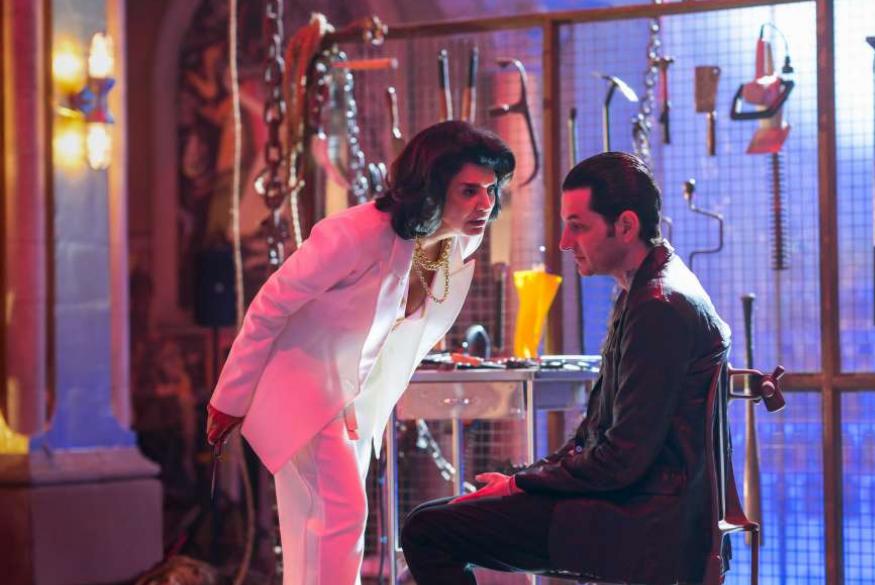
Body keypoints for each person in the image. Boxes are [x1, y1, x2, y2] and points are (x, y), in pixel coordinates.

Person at [205, 120, 515, 585]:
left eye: (490, 190)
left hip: (354, 402)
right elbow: (270, 306)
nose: (485, 204)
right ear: (432, 186)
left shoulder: (453, 239)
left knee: (323, 531)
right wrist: (229, 399)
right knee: (340, 519)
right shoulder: (355, 233)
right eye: (469, 190)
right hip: (307, 393)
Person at [400, 151, 731, 585]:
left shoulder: (658, 306)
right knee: (434, 518)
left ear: (626, 226)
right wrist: (523, 479)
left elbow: (620, 460)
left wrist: (523, 485)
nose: (564, 242)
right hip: (640, 508)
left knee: (426, 531)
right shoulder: (647, 291)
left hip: (643, 523)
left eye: (578, 226)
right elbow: (597, 440)